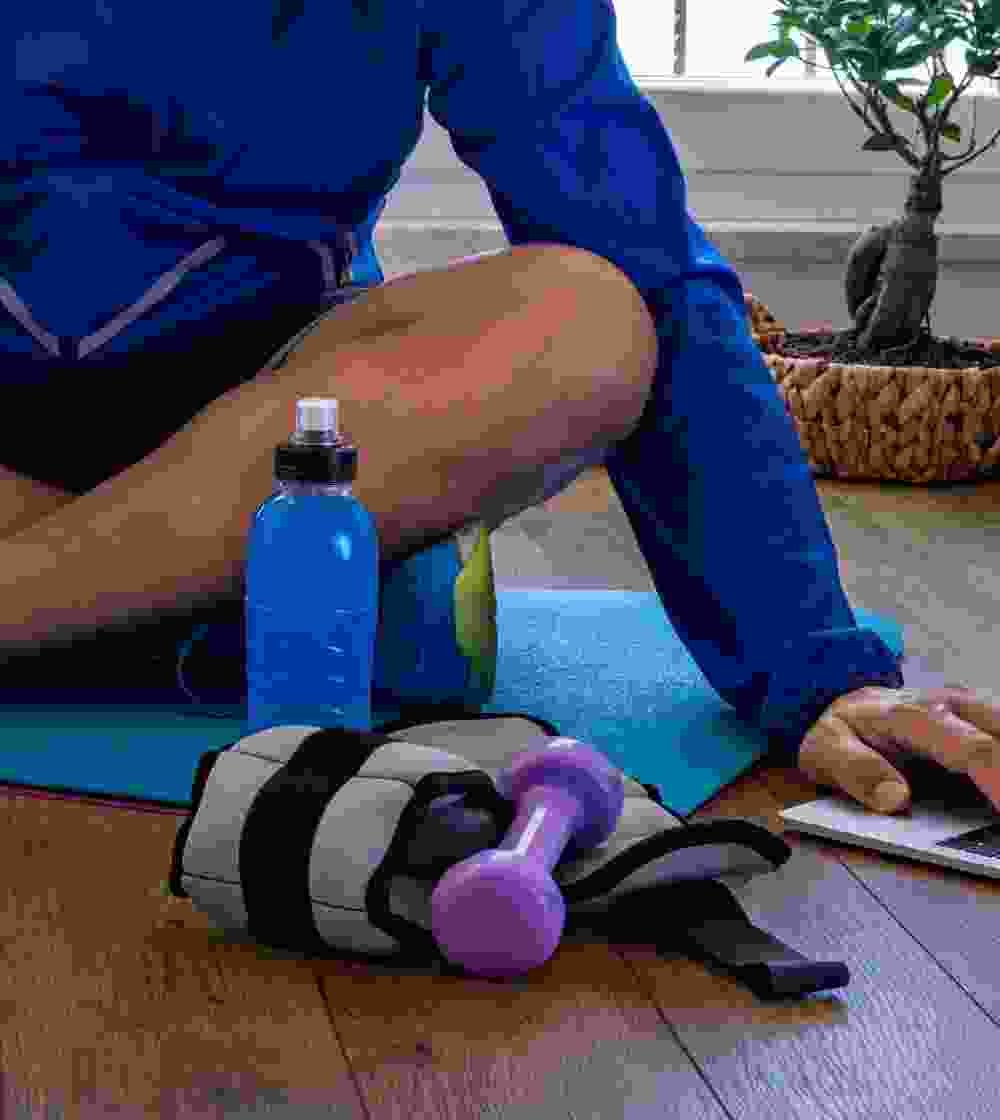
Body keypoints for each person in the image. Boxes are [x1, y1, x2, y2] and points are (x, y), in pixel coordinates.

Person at [1, 0, 997, 816]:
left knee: (582, 321)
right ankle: (192, 612)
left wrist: (811, 664)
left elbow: (650, 268)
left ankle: (103, 608)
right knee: (405, 628)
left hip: (270, 428)